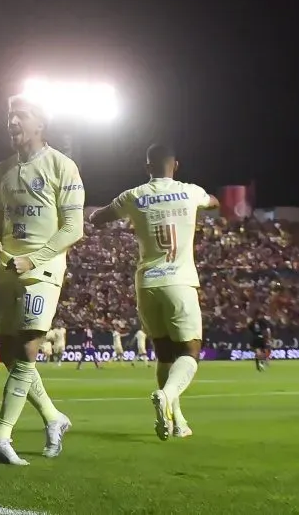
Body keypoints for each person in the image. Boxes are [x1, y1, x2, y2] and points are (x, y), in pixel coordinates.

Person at [90, 143, 220, 441]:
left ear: (147, 167)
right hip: (180, 281)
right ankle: (166, 396)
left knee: (164, 355)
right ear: (176, 165)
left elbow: (98, 218)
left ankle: (177, 421)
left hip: (148, 282)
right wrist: (208, 202)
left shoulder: (134, 195)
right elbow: (213, 201)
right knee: (190, 351)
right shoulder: (190, 191)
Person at [0, 95, 81, 466]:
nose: (12, 122)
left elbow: (74, 227)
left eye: (19, 116)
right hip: (7, 269)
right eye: (9, 116)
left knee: (26, 350)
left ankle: (1, 437)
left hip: (42, 268)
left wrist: (34, 259)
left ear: (39, 123)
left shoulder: (62, 166)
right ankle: (55, 418)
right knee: (9, 353)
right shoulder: (2, 170)